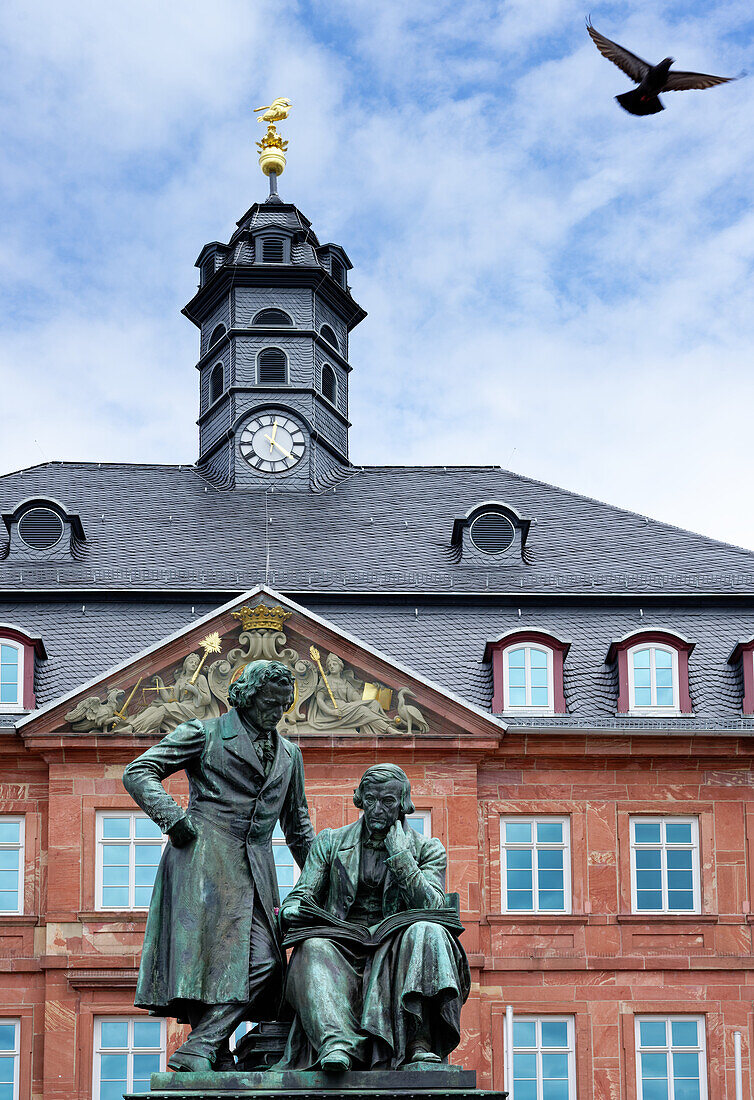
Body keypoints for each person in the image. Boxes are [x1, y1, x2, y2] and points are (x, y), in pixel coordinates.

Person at [123, 659, 314, 1073]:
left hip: (256, 871)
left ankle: (200, 1046)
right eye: (268, 702)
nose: (276, 713)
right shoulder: (204, 734)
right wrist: (174, 820)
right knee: (204, 961)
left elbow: (297, 826)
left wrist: (324, 879)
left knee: (263, 961)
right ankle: (215, 1051)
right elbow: (139, 771)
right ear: (245, 696)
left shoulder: (289, 755)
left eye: (283, 705)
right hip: (202, 858)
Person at [277, 764, 470, 1072]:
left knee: (426, 929)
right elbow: (302, 894)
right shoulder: (330, 843)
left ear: (403, 803)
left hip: (397, 948)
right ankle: (336, 1046)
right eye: (371, 799)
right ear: (360, 799)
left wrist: (401, 859)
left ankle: (417, 1042)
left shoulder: (427, 849)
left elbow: (434, 905)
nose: (377, 809)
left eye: (388, 802)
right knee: (312, 947)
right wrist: (293, 910)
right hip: (341, 945)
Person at [306, 653, 392, 735]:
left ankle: (370, 731)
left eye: (334, 664)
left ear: (340, 667)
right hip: (334, 708)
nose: (331, 666)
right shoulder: (325, 680)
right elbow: (320, 700)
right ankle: (388, 729)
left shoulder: (344, 682)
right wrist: (332, 712)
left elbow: (358, 699)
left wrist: (375, 688)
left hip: (345, 707)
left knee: (374, 703)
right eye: (329, 665)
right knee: (363, 710)